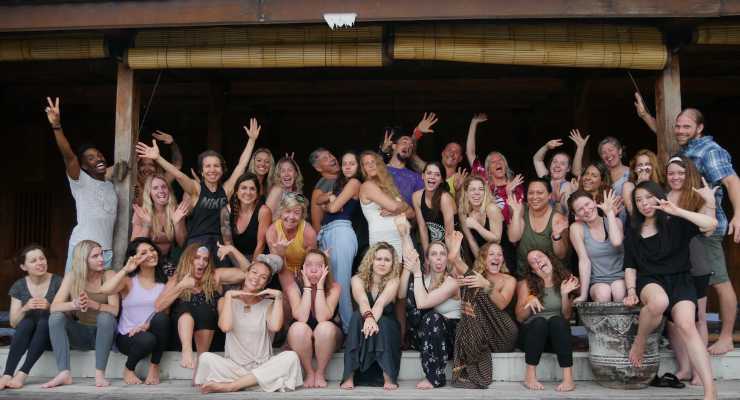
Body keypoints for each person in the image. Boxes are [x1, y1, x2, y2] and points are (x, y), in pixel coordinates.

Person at [635, 97, 740, 355]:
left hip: (706, 230)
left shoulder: (709, 150)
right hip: (685, 233)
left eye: (686, 127)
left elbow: (732, 181)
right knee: (698, 292)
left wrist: (738, 214)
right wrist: (646, 117)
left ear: (700, 128)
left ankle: (726, 335)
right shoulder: (688, 149)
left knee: (720, 281)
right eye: (678, 126)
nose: (680, 130)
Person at [622, 181, 717, 399]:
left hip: (681, 280)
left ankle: (710, 391)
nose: (644, 203)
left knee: (687, 326)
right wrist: (630, 290)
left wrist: (677, 211)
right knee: (659, 302)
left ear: (658, 197)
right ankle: (640, 341)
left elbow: (710, 224)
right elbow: (630, 266)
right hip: (650, 280)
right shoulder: (634, 234)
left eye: (648, 197)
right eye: (638, 200)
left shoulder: (676, 223)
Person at [136, 118, 261, 259]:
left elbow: (241, 166)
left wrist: (251, 141)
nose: (212, 170)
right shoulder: (196, 189)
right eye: (208, 166)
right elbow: (178, 174)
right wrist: (158, 158)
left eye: (216, 166)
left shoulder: (226, 190)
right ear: (201, 171)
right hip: (197, 246)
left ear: (222, 170)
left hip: (220, 246)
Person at [195, 258, 304, 394]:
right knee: (205, 358)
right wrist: (229, 297)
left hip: (263, 365)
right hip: (235, 368)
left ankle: (232, 386)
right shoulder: (225, 300)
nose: (257, 278)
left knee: (291, 357)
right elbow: (225, 327)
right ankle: (257, 382)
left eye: (263, 277)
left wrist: (279, 298)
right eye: (254, 272)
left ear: (266, 283)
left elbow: (275, 327)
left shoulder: (269, 304)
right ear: (246, 274)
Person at [45, 97, 121, 272]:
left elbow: (116, 168)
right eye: (91, 158)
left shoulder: (110, 185)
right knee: (74, 293)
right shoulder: (81, 182)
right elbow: (69, 156)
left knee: (99, 295)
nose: (99, 158)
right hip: (83, 248)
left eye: (100, 155)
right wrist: (56, 126)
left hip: (105, 252)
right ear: (85, 166)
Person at [154, 243, 250, 370]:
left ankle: (201, 362)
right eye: (197, 258)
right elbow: (158, 307)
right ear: (188, 259)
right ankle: (187, 351)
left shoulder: (215, 276)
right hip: (182, 337)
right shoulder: (177, 279)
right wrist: (181, 287)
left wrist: (232, 249)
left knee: (207, 307)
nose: (201, 262)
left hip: (212, 337)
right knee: (185, 310)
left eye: (205, 259)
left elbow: (248, 273)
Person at [665, 155, 718, 386]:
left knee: (698, 320)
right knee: (674, 321)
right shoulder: (662, 195)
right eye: (671, 173)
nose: (675, 177)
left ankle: (700, 372)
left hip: (695, 264)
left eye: (680, 173)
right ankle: (684, 368)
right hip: (670, 266)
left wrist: (710, 202)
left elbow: (708, 230)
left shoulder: (697, 196)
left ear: (688, 174)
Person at [43, 240, 119, 389]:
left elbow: (115, 310)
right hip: (82, 334)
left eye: (101, 254)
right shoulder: (72, 277)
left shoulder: (109, 275)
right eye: (95, 256)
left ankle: (99, 375)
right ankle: (64, 373)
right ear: (83, 260)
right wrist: (74, 304)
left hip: (106, 334)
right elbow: (53, 307)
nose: (101, 259)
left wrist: (94, 304)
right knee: (56, 316)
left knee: (105, 317)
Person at [397, 219, 460, 389]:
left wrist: (416, 273)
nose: (439, 259)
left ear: (447, 258)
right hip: (425, 335)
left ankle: (435, 378)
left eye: (442, 254)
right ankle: (411, 340)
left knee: (432, 316)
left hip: (450, 338)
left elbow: (424, 303)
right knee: (411, 290)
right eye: (434, 254)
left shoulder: (452, 282)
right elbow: (401, 295)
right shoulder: (422, 279)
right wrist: (409, 267)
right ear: (427, 260)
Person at [98, 238, 170, 385]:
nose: (151, 254)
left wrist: (146, 325)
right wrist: (125, 269)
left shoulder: (165, 281)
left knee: (162, 319)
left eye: (152, 250)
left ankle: (154, 366)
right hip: (128, 336)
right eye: (144, 253)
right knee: (147, 339)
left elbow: (165, 311)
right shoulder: (129, 281)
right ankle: (128, 369)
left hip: (154, 332)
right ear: (135, 258)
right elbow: (104, 290)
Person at [451, 240, 519, 388]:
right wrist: (459, 285)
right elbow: (460, 301)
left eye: (499, 254)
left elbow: (502, 303)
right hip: (480, 333)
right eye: (491, 254)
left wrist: (487, 285)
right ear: (483, 258)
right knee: (471, 286)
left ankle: (469, 372)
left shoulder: (510, 280)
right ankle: (473, 375)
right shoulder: (476, 277)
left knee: (476, 285)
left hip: (503, 333)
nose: (496, 257)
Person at [515, 249, 579, 392]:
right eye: (533, 262)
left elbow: (567, 316)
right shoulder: (526, 284)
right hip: (532, 337)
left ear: (549, 258)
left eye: (540, 257)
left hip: (555, 339)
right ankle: (530, 376)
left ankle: (568, 378)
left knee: (558, 321)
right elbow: (519, 317)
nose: (538, 261)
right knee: (540, 322)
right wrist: (530, 301)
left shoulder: (565, 280)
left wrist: (564, 295)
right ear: (533, 270)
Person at [341, 242, 401, 390]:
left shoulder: (394, 280)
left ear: (393, 263)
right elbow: (362, 300)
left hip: (387, 326)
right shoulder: (357, 279)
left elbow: (380, 302)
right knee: (356, 317)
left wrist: (370, 319)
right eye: (378, 259)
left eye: (387, 260)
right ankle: (349, 375)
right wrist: (368, 317)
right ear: (371, 260)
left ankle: (388, 376)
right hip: (364, 322)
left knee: (384, 323)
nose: (382, 263)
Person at [0, 245, 62, 390]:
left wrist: (50, 306)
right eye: (33, 261)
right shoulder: (19, 286)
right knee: (27, 322)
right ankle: (8, 374)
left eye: (42, 258)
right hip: (30, 339)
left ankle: (22, 373)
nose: (40, 263)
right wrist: (25, 308)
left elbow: (72, 315)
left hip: (54, 336)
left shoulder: (58, 282)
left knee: (45, 320)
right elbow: (14, 323)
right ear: (23, 266)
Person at [316, 151, 362, 333]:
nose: (348, 166)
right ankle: (338, 325)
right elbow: (319, 199)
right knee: (330, 282)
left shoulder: (355, 182)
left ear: (358, 167)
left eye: (352, 163)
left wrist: (330, 203)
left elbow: (333, 208)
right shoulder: (339, 184)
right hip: (328, 232)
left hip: (341, 231)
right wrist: (330, 198)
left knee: (340, 283)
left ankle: (349, 330)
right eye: (345, 163)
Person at [285, 249, 343, 388]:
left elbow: (323, 317)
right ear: (302, 267)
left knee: (324, 327)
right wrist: (307, 287)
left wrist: (320, 286)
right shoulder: (293, 287)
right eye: (309, 264)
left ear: (326, 268)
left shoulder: (334, 287)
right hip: (302, 337)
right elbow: (302, 318)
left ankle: (320, 372)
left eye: (319, 265)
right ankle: (310, 372)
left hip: (328, 337)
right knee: (298, 328)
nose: (314, 269)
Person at [465, 113, 525, 225]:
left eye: (500, 160)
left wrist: (509, 193)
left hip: (508, 231)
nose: (497, 163)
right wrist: (474, 123)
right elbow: (470, 152)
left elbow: (517, 217)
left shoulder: (516, 185)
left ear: (505, 165)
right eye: (493, 162)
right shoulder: (483, 178)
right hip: (485, 226)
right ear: (488, 169)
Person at [568, 189, 625, 303]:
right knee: (603, 294)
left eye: (587, 204)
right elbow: (584, 261)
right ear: (576, 214)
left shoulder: (615, 221)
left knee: (619, 291)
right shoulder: (576, 228)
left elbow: (617, 242)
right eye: (580, 209)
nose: (586, 210)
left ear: (594, 202)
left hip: (620, 277)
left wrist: (609, 214)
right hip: (597, 281)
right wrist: (583, 295)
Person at [508, 178, 570, 278]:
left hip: (550, 276)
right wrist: (516, 214)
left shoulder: (557, 218)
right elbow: (513, 238)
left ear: (549, 196)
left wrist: (556, 236)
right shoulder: (522, 209)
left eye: (540, 192)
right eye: (531, 193)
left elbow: (561, 255)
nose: (534, 197)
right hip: (525, 274)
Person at [359, 151, 411, 257]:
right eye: (366, 163)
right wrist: (399, 208)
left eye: (373, 161)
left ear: (379, 164)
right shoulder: (367, 186)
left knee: (406, 271)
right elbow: (394, 206)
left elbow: (412, 212)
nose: (370, 165)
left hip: (402, 237)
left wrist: (395, 212)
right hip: (383, 238)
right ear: (364, 169)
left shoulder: (390, 187)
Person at [266, 192, 318, 292]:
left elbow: (311, 262)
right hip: (280, 271)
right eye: (287, 211)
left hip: (302, 272)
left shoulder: (308, 232)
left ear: (302, 215)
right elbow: (277, 265)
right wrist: (281, 253)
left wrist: (302, 274)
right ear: (281, 211)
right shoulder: (272, 231)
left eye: (296, 213)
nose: (291, 217)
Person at [131, 174, 189, 261]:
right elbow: (135, 246)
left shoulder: (176, 211)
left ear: (169, 190)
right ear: (149, 193)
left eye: (163, 187)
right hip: (147, 260)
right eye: (155, 188)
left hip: (169, 260)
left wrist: (177, 223)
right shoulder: (142, 212)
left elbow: (183, 244)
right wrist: (147, 224)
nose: (161, 190)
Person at [220, 173, 272, 264]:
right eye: (244, 188)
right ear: (236, 191)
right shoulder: (226, 211)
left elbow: (261, 245)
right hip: (235, 257)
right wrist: (242, 267)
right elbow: (228, 244)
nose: (248, 192)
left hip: (257, 257)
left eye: (252, 189)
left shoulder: (264, 211)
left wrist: (252, 269)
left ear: (257, 193)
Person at [413, 161, 457, 253]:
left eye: (437, 175)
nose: (432, 177)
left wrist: (447, 259)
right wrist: (426, 255)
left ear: (441, 180)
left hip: (453, 246)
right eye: (429, 173)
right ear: (423, 176)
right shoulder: (416, 196)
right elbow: (422, 227)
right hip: (434, 247)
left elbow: (449, 235)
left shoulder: (445, 198)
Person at [458, 176, 504, 259]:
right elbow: (471, 241)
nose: (477, 193)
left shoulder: (492, 209)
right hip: (480, 256)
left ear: (485, 192)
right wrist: (481, 265)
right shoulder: (463, 212)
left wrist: (476, 226)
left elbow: (497, 240)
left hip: (501, 256)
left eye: (480, 189)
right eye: (472, 189)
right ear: (466, 193)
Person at [134, 130, 182, 205]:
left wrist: (172, 144)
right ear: (137, 167)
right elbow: (108, 174)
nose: (147, 169)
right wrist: (130, 163)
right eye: (143, 165)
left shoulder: (162, 181)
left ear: (156, 167)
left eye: (151, 165)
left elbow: (177, 165)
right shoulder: (131, 180)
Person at [532, 135, 576, 214]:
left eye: (562, 163)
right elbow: (537, 159)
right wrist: (546, 147)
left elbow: (566, 214)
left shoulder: (568, 186)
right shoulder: (545, 178)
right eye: (555, 162)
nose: (557, 166)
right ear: (550, 164)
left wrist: (558, 202)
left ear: (568, 169)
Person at [622, 149, 665, 216]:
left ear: (653, 167)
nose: (644, 168)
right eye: (640, 165)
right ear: (635, 169)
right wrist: (641, 185)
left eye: (647, 164)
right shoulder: (629, 186)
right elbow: (631, 211)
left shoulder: (659, 184)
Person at [597, 136, 630, 221]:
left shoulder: (632, 173)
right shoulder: (601, 176)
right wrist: (580, 148)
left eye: (611, 150)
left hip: (629, 223)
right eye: (603, 152)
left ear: (620, 151)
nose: (608, 155)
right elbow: (577, 173)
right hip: (608, 223)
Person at [308, 148, 340, 232]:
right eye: (325, 158)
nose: (332, 158)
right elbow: (317, 225)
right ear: (318, 168)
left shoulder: (345, 177)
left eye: (330, 155)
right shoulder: (319, 191)